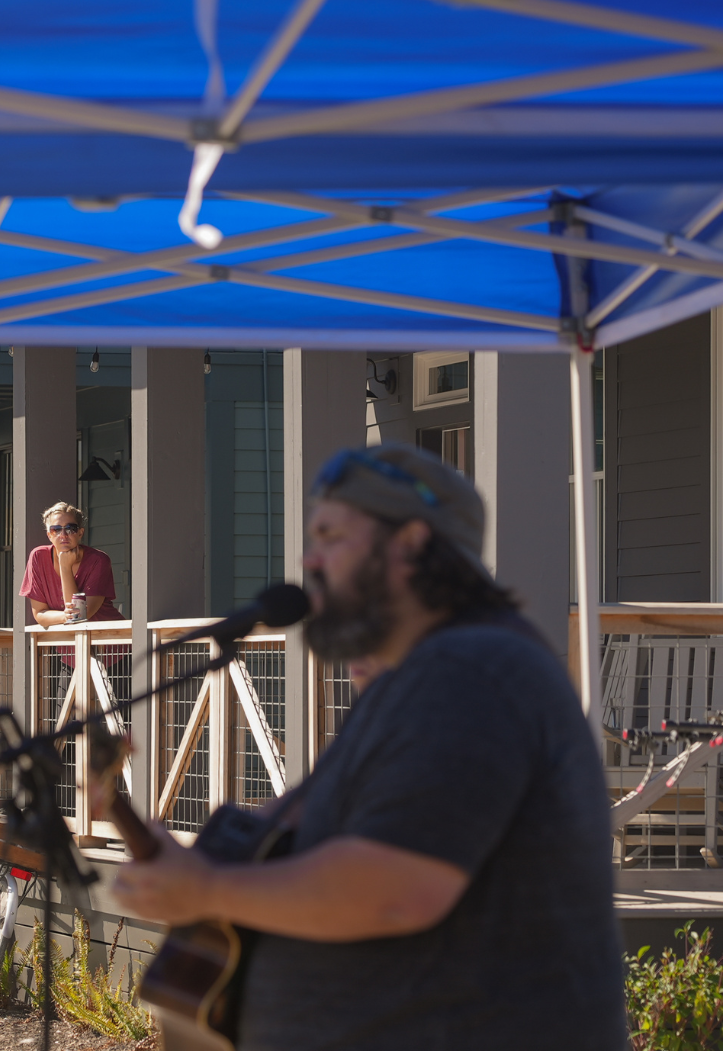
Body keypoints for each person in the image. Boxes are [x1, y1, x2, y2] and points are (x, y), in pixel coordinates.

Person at [111, 444, 626, 1051]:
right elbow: (294, 834)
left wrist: (206, 890)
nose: (309, 560)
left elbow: (395, 891)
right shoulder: (416, 678)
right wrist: (178, 862)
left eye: (330, 536)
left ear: (410, 543)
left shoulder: (471, 669)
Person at [20, 501, 122, 627]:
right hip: (69, 639)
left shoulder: (99, 560)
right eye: (56, 529)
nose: (63, 535)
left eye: (70, 529)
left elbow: (80, 615)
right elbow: (40, 614)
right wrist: (65, 616)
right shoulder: (38, 556)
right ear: (49, 535)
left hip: (109, 636)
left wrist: (65, 567)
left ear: (80, 533)